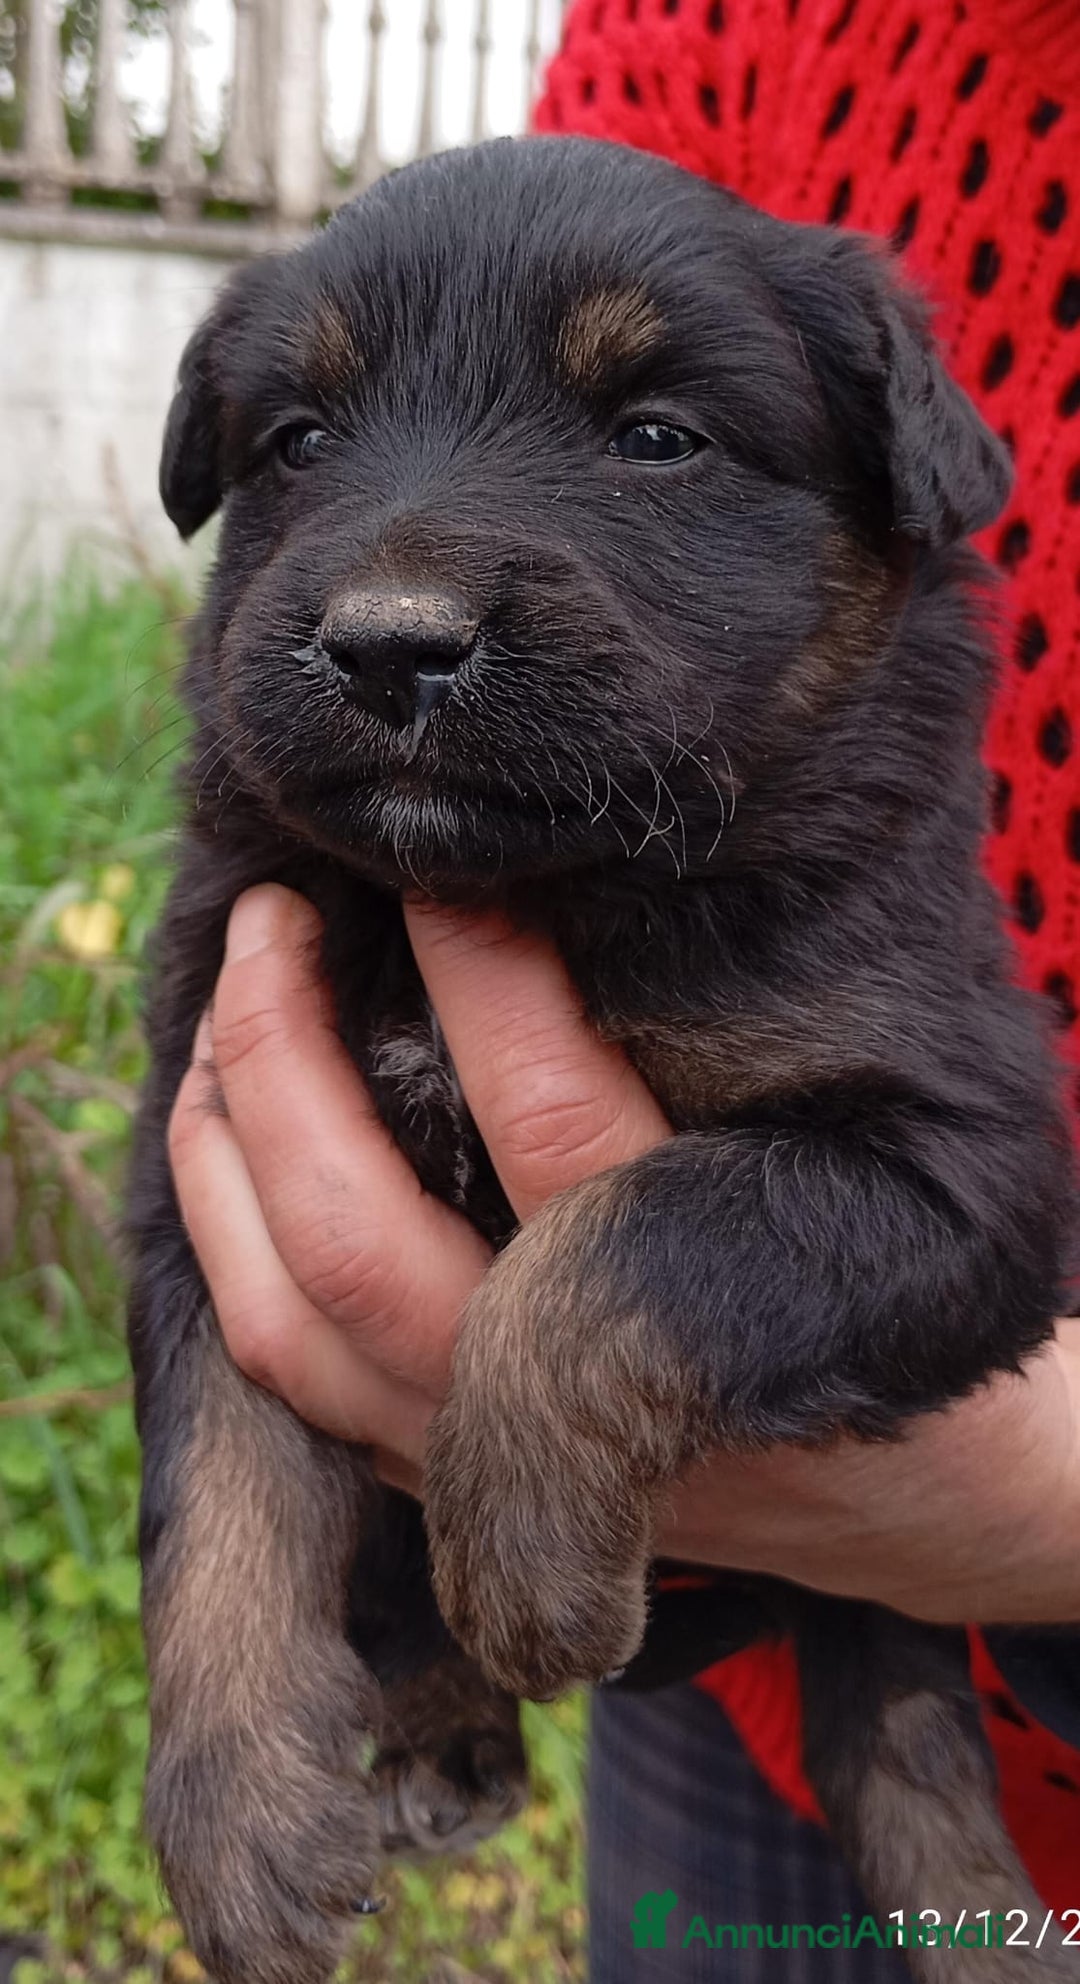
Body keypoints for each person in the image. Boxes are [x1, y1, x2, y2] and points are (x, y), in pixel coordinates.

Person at [168, 0, 1080, 1972]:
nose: (389, 587)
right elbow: (209, 1237)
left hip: (942, 1588)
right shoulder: (720, 21)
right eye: (304, 445)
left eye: (655, 437)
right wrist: (235, 1695)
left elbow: (952, 1207)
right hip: (716, 1731)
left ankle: (932, 1822)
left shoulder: (815, 902)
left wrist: (569, 1360)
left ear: (887, 528)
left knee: (930, 1820)